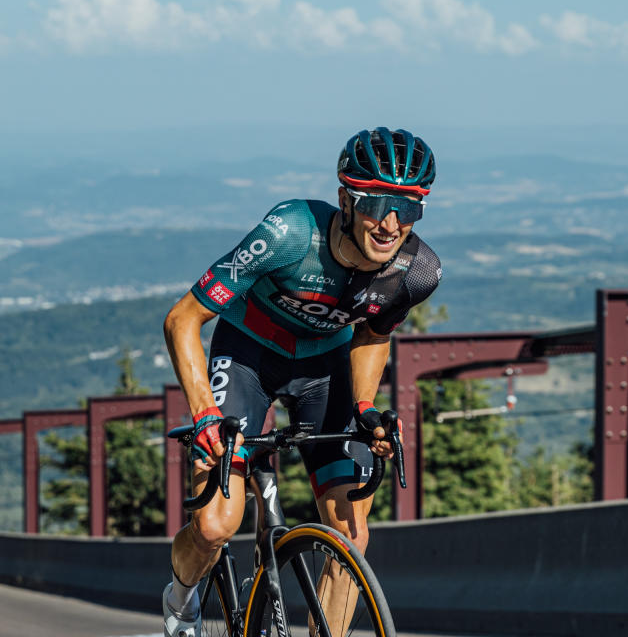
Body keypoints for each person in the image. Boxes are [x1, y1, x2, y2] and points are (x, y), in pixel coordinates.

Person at [161, 127, 441, 637]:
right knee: (215, 525)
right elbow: (183, 319)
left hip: (322, 370)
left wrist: (362, 406)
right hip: (247, 355)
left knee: (352, 536)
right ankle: (181, 597)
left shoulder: (415, 272)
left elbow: (374, 336)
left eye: (409, 207)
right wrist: (204, 414)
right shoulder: (290, 232)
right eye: (376, 202)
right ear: (346, 201)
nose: (391, 222)